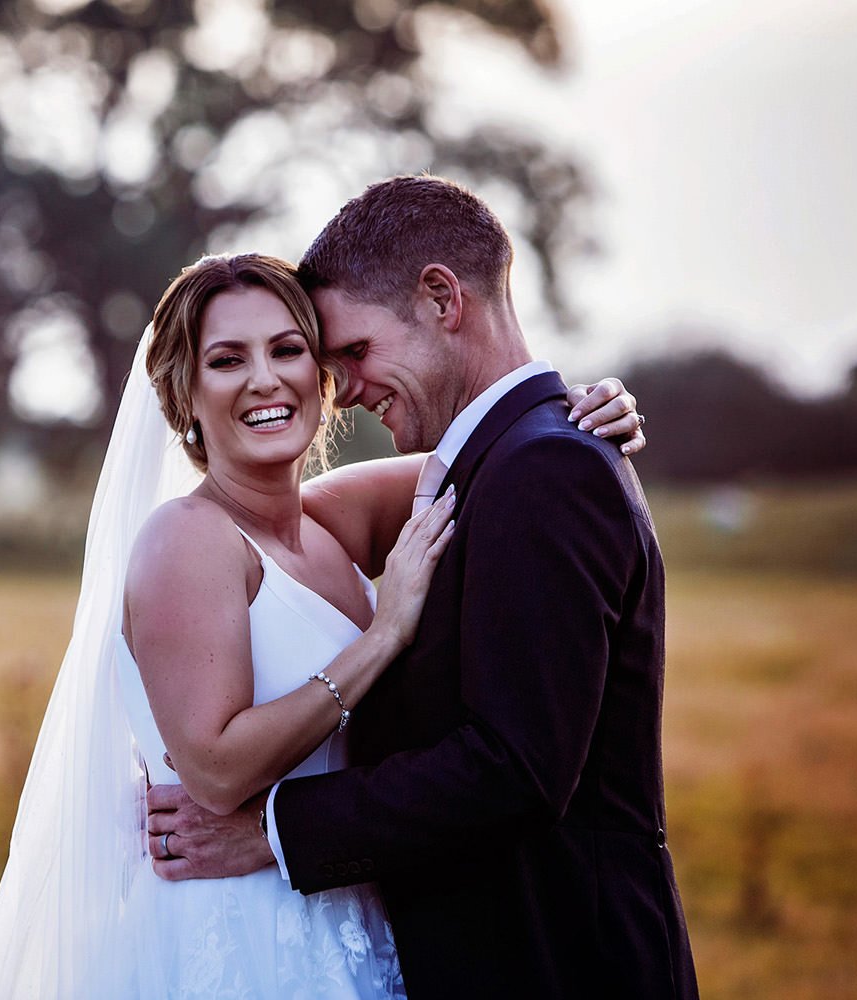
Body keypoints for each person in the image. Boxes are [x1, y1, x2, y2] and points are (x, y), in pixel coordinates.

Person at [0, 248, 645, 998]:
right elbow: (216, 771)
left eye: (287, 350)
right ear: (184, 396)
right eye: (226, 360)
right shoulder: (185, 538)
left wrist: (580, 406)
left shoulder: (330, 520)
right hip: (239, 928)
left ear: (321, 380)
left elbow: (506, 458)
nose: (265, 379)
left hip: (347, 909)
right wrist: (383, 636)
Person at [148, 176, 697, 999]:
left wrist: (274, 834)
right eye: (228, 359)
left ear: (442, 298)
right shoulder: (490, 466)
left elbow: (514, 769)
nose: (345, 387)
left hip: (562, 961)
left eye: (350, 353)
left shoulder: (541, 465)